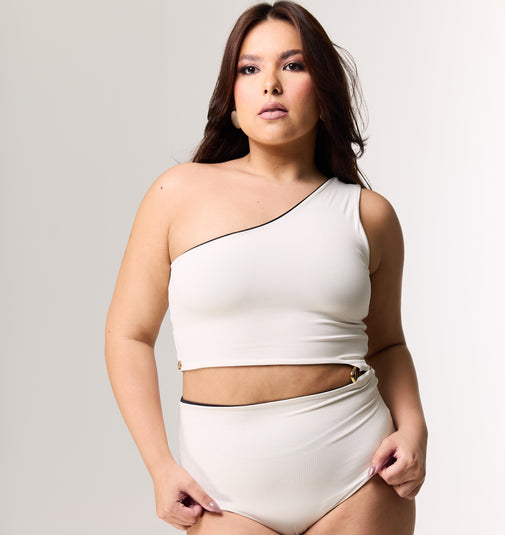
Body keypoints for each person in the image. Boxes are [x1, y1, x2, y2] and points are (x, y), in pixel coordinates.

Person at [104, 2, 427, 534]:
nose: (270, 84)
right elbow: (128, 336)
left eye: (293, 65)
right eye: (250, 69)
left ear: (323, 92)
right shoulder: (176, 194)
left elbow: (388, 344)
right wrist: (159, 466)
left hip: (360, 477)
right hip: (220, 494)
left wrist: (414, 429)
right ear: (232, 100)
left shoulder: (368, 214)